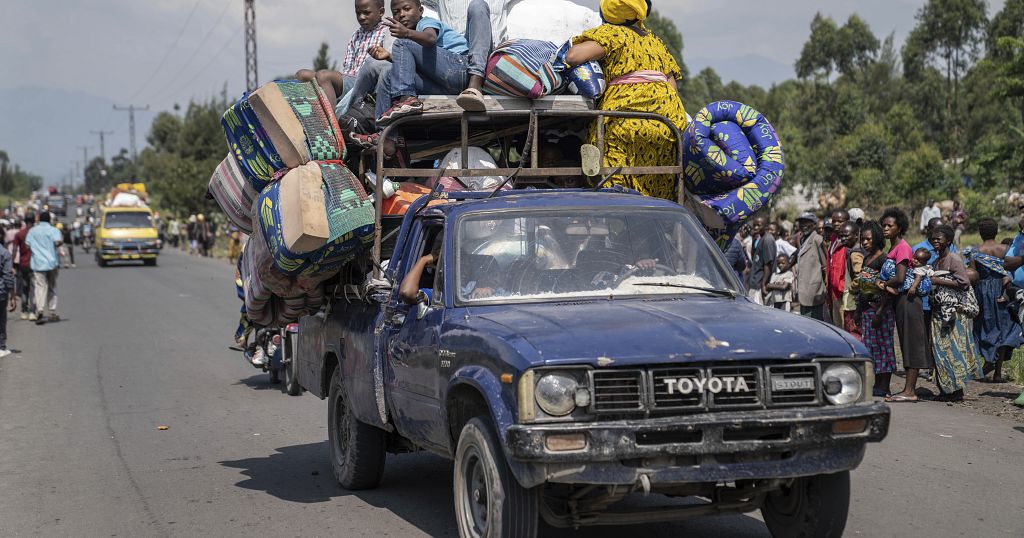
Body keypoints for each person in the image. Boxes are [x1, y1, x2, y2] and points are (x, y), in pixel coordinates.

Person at [564, 0, 688, 201]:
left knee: (613, 184)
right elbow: (672, 87)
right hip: (666, 123)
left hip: (623, 121)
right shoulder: (655, 42)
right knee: (656, 183)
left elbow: (573, 56)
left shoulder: (614, 34)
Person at [375, 0, 483, 125]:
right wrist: (389, 57)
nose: (402, 14)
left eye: (407, 9)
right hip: (444, 85)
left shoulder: (425, 23)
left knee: (401, 43)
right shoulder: (411, 43)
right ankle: (382, 131)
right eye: (396, 12)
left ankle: (406, 98)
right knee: (388, 74)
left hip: (460, 67)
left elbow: (431, 38)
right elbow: (408, 68)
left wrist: (406, 33)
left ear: (420, 11)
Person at [880, 207, 930, 403]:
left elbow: (900, 277)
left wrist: (882, 283)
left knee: (911, 343)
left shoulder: (902, 247)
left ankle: (910, 391)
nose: (885, 228)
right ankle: (908, 389)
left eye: (889, 226)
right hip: (901, 300)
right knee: (906, 341)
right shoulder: (893, 248)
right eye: (883, 225)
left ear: (899, 228)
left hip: (908, 300)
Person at [928, 224, 983, 401]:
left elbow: (964, 283)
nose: (935, 241)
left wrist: (938, 280)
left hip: (955, 312)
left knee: (953, 350)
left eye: (939, 238)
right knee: (940, 349)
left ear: (949, 241)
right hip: (939, 311)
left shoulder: (954, 259)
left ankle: (957, 390)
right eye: (933, 238)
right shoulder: (936, 261)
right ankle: (946, 389)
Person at [967, 218, 1023, 382]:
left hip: (983, 292)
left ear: (980, 233)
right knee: (1003, 329)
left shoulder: (975, 251)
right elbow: (1012, 268)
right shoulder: (1006, 249)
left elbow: (973, 275)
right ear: (997, 231)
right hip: (1004, 290)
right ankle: (997, 373)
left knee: (984, 327)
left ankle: (988, 361)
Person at [853, 221, 896, 396]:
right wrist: (858, 310)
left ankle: (884, 386)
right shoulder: (867, 258)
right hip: (866, 310)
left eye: (868, 239)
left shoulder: (884, 260)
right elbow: (862, 287)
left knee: (884, 347)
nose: (864, 242)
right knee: (872, 348)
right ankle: (877, 384)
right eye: (862, 239)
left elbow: (887, 289)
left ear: (877, 238)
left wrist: (879, 312)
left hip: (880, 312)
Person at [25, 212, 63, 324]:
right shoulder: (54, 230)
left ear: (39, 220)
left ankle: (40, 310)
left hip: (38, 263)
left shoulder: (32, 231)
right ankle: (52, 311)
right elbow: (58, 242)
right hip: (51, 263)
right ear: (49, 220)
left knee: (40, 287)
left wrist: (36, 249)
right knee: (52, 287)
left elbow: (27, 245)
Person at [794, 212, 826, 320]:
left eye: (806, 222)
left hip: (814, 294)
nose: (803, 225)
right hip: (804, 293)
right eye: (801, 222)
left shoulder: (817, 239)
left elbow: (825, 266)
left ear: (814, 224)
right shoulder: (803, 239)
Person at [840, 222, 865, 339]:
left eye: (846, 235)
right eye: (841, 236)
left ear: (856, 235)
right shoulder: (855, 250)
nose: (843, 239)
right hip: (853, 302)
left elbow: (860, 277)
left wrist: (852, 290)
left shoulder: (855, 253)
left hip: (853, 303)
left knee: (853, 335)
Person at [826, 210, 850, 326]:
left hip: (843, 291)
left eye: (840, 221)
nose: (836, 224)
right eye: (834, 221)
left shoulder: (849, 241)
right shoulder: (834, 238)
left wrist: (842, 287)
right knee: (837, 325)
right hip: (833, 290)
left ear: (847, 222)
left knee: (845, 325)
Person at [745, 216, 776, 305]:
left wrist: (763, 284)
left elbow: (768, 264)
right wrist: (753, 238)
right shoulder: (759, 238)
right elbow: (754, 257)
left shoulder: (767, 240)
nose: (755, 228)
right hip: (754, 282)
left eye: (758, 225)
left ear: (765, 226)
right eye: (754, 225)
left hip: (759, 284)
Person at [10, 213, 35, 320]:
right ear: (34, 221)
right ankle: (32, 312)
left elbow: (15, 250)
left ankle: (24, 311)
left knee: (25, 287)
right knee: (33, 288)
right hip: (35, 264)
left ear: (24, 221)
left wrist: (11, 264)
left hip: (23, 264)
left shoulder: (19, 234)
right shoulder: (36, 233)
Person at [0, 223, 14, 358]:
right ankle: (1, 347)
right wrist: (13, 296)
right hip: (1, 292)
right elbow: (8, 276)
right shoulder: (4, 253)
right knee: (1, 318)